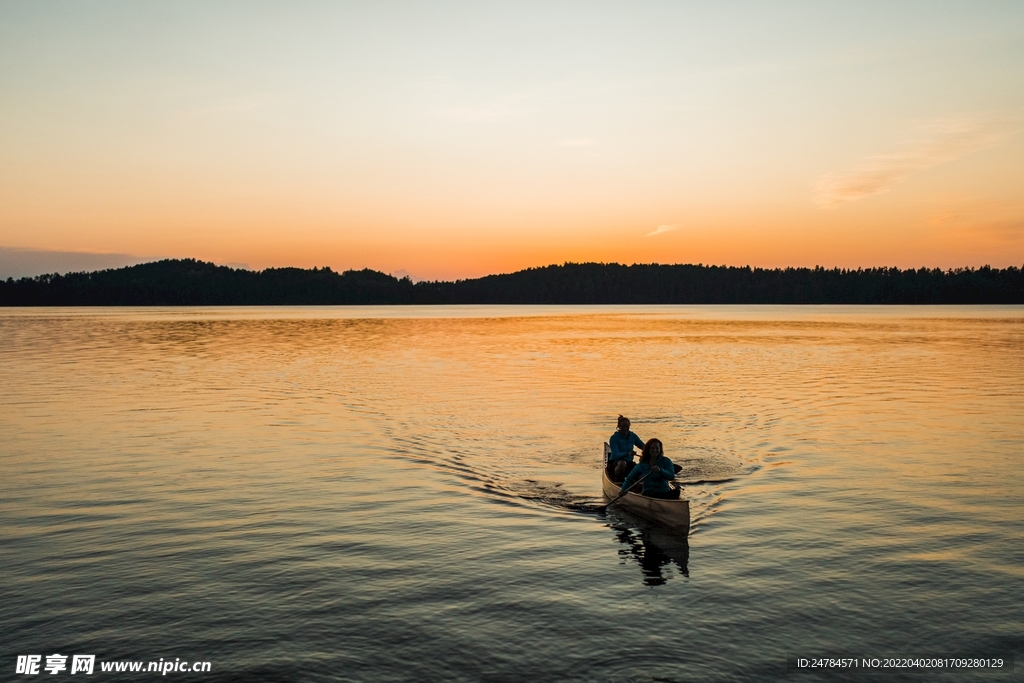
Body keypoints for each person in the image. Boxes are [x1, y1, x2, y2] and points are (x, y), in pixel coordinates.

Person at [607, 415, 644, 482]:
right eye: (623, 426)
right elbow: (615, 454)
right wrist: (628, 453)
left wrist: (651, 452)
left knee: (643, 468)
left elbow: (643, 446)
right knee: (622, 463)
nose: (625, 428)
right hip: (615, 463)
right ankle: (618, 480)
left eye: (627, 426)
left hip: (629, 463)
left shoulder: (632, 436)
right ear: (618, 427)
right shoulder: (614, 438)